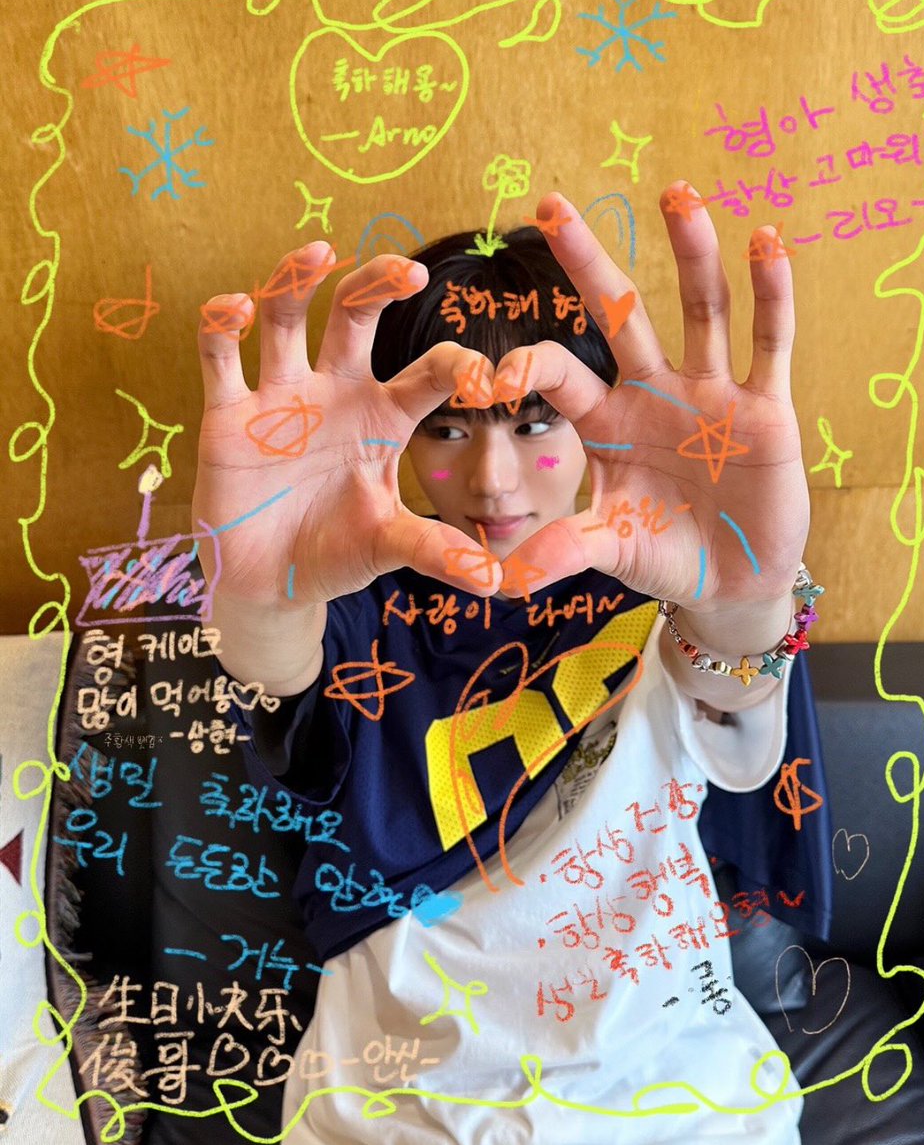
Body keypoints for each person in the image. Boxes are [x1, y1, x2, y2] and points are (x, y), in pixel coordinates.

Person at [192, 183, 816, 1142]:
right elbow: (278, 671)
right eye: (447, 427)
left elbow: (728, 680)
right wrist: (258, 594)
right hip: (401, 1110)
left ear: (595, 414)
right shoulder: (353, 592)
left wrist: (744, 598)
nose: (489, 480)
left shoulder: (662, 576)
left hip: (672, 1097)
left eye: (533, 423)